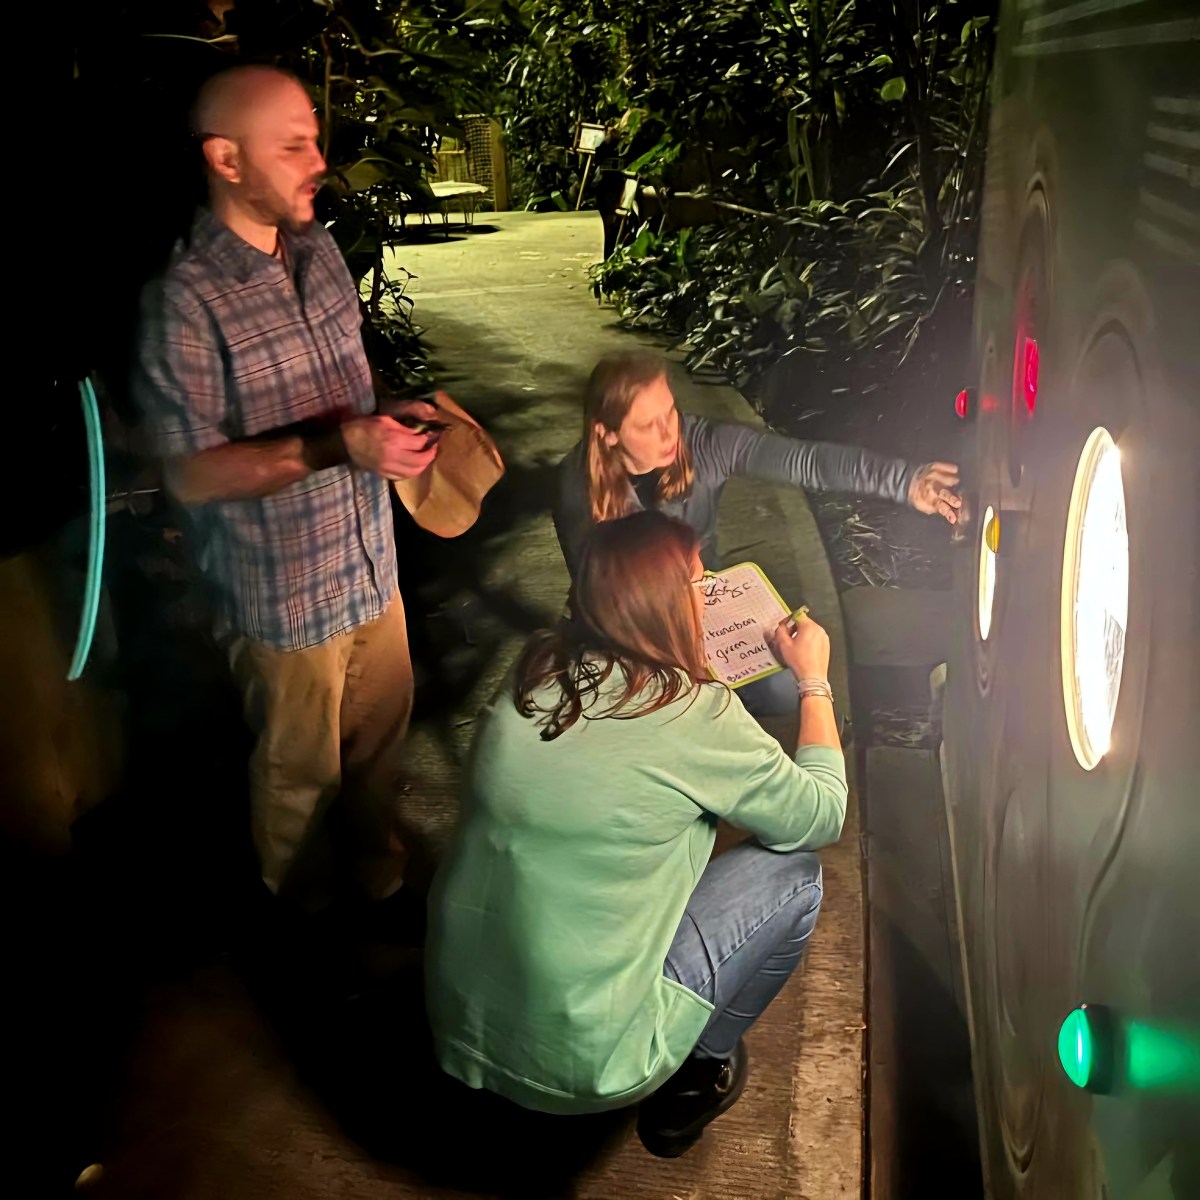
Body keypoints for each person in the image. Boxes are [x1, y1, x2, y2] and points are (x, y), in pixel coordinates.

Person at [426, 510, 848, 1159]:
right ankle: (698, 1073)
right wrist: (813, 679)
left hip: (458, 1027)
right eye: (699, 585)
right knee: (794, 875)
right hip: (592, 1059)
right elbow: (822, 813)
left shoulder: (536, 673)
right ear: (661, 609)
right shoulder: (691, 709)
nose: (711, 596)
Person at [134, 65, 440, 916]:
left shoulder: (318, 249)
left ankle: (377, 889)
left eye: (316, 136)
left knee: (380, 759)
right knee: (297, 786)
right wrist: (342, 444)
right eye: (294, 144)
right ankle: (301, 935)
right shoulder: (185, 301)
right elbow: (191, 473)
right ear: (226, 159)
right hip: (283, 604)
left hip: (372, 574)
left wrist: (388, 415)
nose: (319, 159)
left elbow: (347, 383)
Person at [553, 350, 962, 715]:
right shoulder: (578, 492)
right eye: (648, 426)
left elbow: (807, 462)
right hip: (630, 634)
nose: (668, 434)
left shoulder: (703, 444)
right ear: (607, 433)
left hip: (704, 607)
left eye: (671, 413)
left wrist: (907, 482)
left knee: (786, 689)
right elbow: (610, 611)